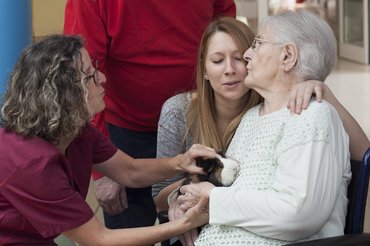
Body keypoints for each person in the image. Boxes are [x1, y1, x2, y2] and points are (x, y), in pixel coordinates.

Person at [152, 14, 370, 246]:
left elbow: (296, 214)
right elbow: (228, 187)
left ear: (287, 55)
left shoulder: (312, 115)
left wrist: (213, 199)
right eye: (218, 60)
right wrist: (184, 198)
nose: (247, 56)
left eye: (257, 44)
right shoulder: (251, 117)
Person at [0, 35, 217, 245]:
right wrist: (186, 223)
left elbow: (130, 171)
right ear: (62, 94)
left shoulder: (77, 132)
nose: (102, 78)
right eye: (89, 75)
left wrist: (181, 162)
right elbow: (99, 240)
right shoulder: (32, 163)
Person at [63, 0, 237, 230]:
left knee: (196, 229)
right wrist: (102, 170)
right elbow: (79, 80)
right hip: (124, 129)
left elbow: (224, 22)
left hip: (196, 120)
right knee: (130, 230)